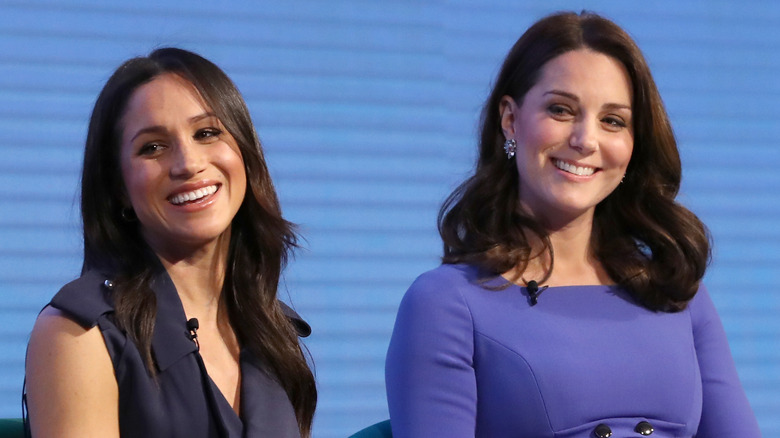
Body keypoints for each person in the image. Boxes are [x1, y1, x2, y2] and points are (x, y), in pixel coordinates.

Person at [385, 11, 760, 438]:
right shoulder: (446, 303)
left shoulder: (674, 290)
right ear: (510, 119)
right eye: (561, 110)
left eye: (613, 120)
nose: (586, 140)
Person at [25, 48, 316, 438]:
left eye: (207, 133)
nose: (188, 164)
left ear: (244, 154)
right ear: (119, 189)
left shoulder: (274, 332)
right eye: (153, 147)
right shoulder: (79, 333)